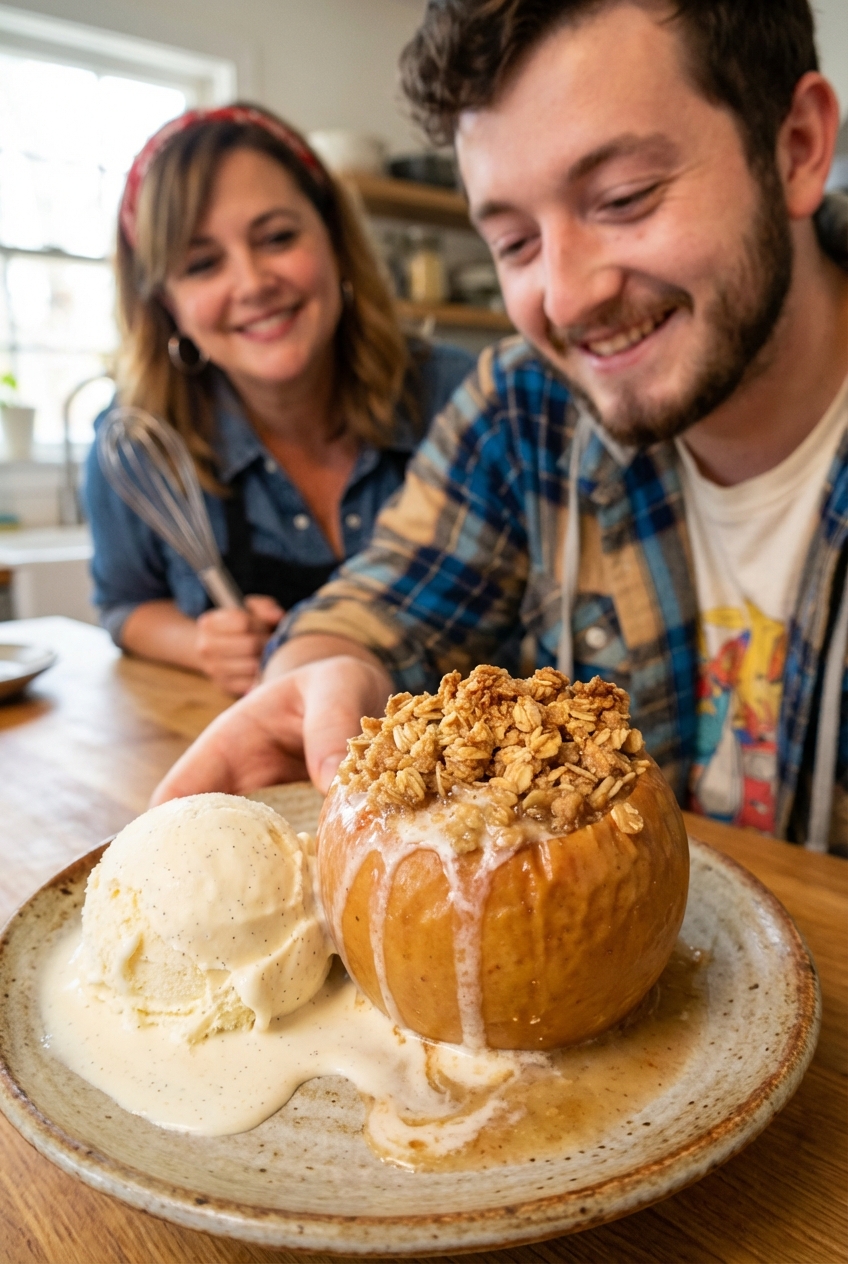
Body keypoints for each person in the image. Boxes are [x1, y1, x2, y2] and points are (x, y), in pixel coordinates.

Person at [153, 2, 848, 854]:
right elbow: (378, 605)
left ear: (799, 147)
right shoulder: (528, 404)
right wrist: (320, 676)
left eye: (624, 199)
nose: (563, 300)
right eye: (515, 243)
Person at [85, 104, 473, 695]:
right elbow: (123, 605)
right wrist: (206, 648)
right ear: (167, 303)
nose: (252, 282)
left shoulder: (463, 400)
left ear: (335, 240)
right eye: (202, 263)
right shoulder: (139, 445)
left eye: (277, 238)